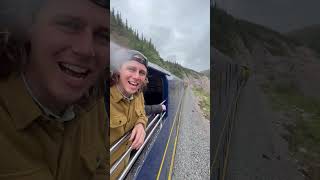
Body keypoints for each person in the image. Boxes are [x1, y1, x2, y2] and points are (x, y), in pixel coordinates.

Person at [0, 0, 109, 179]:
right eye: (69, 25)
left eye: (103, 36)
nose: (86, 50)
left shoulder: (94, 106)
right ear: (29, 26)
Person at [110, 49, 148, 179]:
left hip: (124, 167)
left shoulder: (139, 95)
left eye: (142, 72)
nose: (137, 76)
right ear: (119, 70)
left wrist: (141, 124)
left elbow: (142, 113)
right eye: (131, 69)